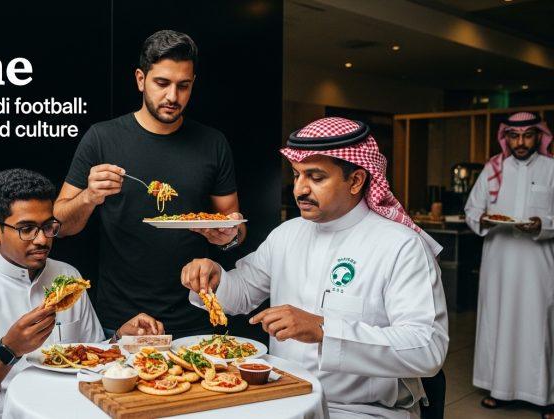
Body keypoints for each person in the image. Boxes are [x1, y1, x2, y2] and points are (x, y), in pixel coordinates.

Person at [180, 117, 449, 418]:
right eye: (296, 175)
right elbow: (241, 293)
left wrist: (324, 330)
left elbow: (427, 349)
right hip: (283, 397)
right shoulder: (287, 234)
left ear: (356, 180)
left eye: (316, 177)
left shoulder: (400, 246)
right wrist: (214, 279)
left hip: (361, 411)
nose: (299, 189)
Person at [54, 30, 245, 338]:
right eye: (162, 83)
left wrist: (228, 236)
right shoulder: (102, 138)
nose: (173, 96)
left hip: (196, 317)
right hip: (121, 321)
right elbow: (59, 225)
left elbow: (235, 227)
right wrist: (89, 196)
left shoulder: (213, 143)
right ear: (141, 79)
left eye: (183, 86)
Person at [0, 169, 163, 419]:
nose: (42, 240)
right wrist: (8, 349)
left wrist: (119, 339)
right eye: (27, 229)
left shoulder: (69, 277)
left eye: (48, 226)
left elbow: (91, 358)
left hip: (76, 409)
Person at [464, 111, 554, 418]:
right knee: (499, 322)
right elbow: (472, 210)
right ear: (506, 137)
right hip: (499, 262)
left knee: (540, 324)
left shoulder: (551, 168)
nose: (520, 142)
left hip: (539, 265)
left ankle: (546, 396)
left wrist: (544, 224)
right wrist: (484, 219)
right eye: (514, 136)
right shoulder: (493, 168)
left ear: (539, 136)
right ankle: (499, 389)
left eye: (527, 135)